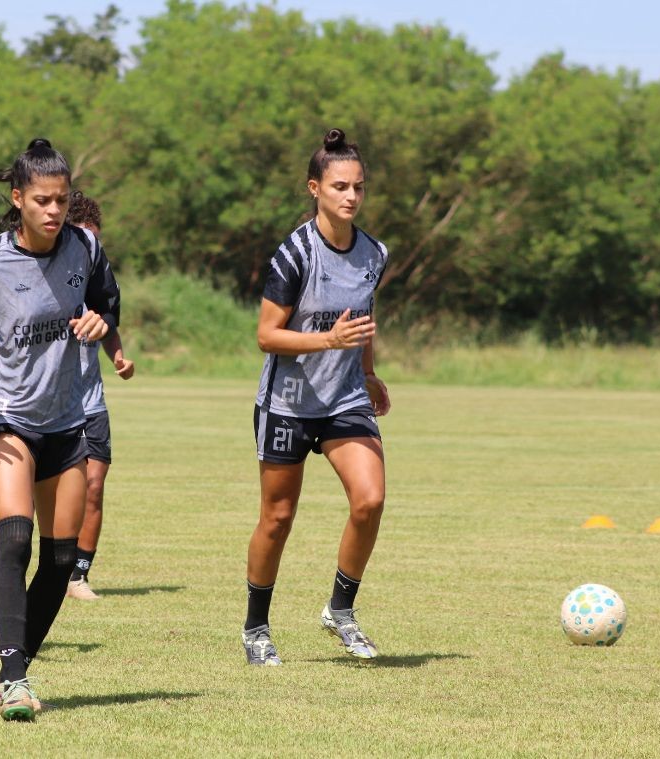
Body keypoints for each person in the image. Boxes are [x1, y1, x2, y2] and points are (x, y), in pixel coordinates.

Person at [0, 139, 120, 721]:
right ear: (18, 199)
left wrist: (102, 322)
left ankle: (8, 671)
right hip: (10, 417)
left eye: (62, 201)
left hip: (70, 422)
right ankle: (18, 678)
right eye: (42, 200)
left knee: (60, 560)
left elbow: (108, 306)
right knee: (14, 539)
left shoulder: (86, 250)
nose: (53, 211)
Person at [242, 128, 392, 665]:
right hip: (286, 402)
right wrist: (327, 340)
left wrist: (368, 373)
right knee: (277, 519)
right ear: (315, 188)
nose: (350, 196)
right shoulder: (294, 254)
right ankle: (256, 628)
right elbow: (266, 335)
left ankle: (341, 610)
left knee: (370, 499)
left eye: (358, 187)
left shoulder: (374, 252)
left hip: (344, 398)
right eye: (339, 187)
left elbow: (363, 320)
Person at [63, 190, 134, 601]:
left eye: (96, 240)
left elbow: (108, 320)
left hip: (92, 401)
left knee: (94, 484)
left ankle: (78, 575)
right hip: (51, 403)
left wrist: (119, 355)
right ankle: (50, 565)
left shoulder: (98, 276)